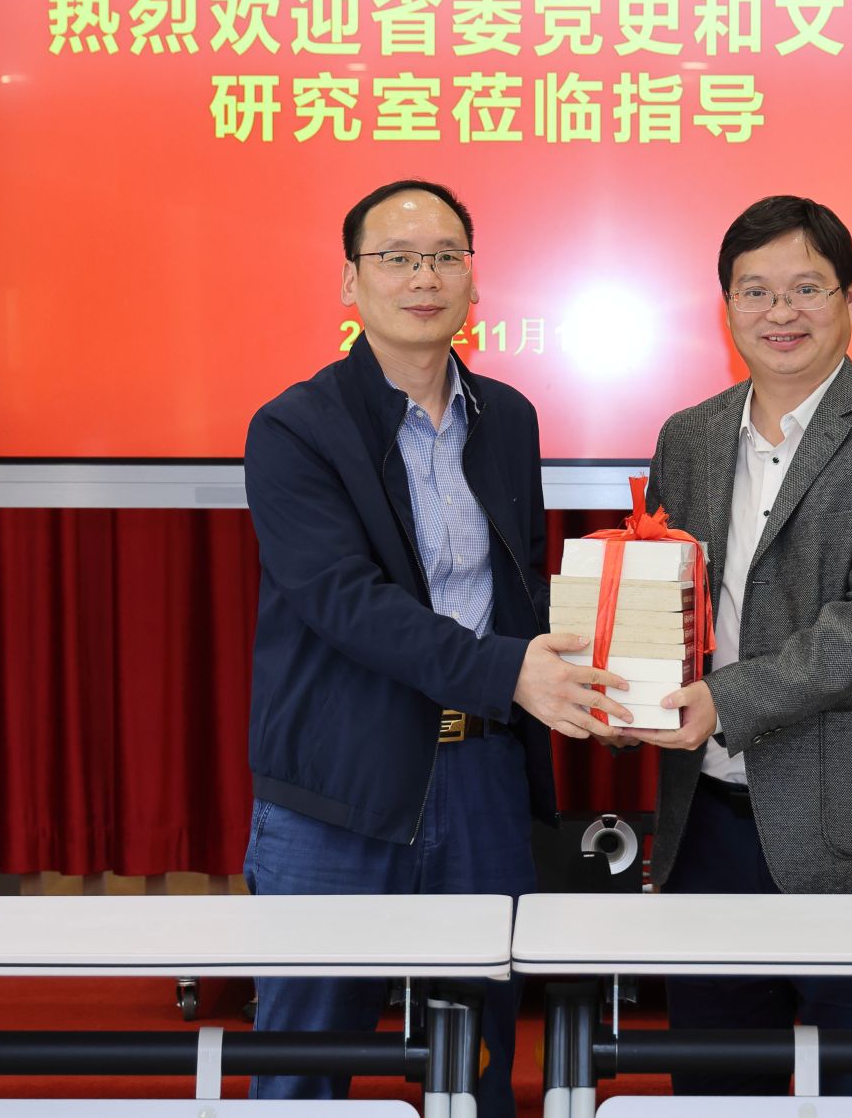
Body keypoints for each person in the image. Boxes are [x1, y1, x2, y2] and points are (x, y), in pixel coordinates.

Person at [240, 178, 630, 1114]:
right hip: (341, 787)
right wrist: (511, 672)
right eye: (398, 258)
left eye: (446, 257)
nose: (425, 277)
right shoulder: (294, 427)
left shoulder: (509, 417)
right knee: (304, 1061)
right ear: (351, 281)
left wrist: (609, 675)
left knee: (481, 1056)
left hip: (483, 778)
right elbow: (345, 602)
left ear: (473, 280)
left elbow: (519, 593)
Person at [634, 193, 852, 1097]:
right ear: (727, 307)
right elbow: (668, 600)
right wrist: (632, 690)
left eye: (806, 288)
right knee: (715, 1088)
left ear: (850, 297)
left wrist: (723, 700)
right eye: (757, 291)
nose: (781, 312)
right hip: (707, 823)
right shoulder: (690, 436)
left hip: (848, 828)